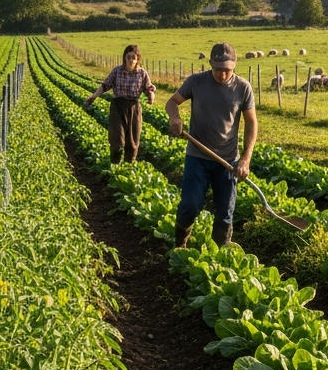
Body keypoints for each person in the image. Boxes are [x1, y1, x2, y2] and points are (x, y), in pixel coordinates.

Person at [166, 42, 257, 248]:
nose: (223, 75)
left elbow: (251, 123)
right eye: (218, 70)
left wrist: (245, 159)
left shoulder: (243, 88)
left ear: (234, 66)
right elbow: (172, 102)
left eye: (227, 70)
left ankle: (219, 258)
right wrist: (175, 119)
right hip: (197, 156)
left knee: (225, 214)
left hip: (227, 161)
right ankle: (180, 246)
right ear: (210, 64)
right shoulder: (196, 82)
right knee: (190, 205)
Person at [83, 44, 156, 163]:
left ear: (138, 59)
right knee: (117, 142)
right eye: (128, 57)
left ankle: (128, 167)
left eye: (134, 57)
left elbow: (149, 88)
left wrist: (151, 97)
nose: (131, 60)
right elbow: (105, 85)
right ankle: (115, 165)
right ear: (124, 58)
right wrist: (93, 96)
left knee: (132, 143)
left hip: (134, 108)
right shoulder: (117, 71)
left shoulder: (142, 73)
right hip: (118, 107)